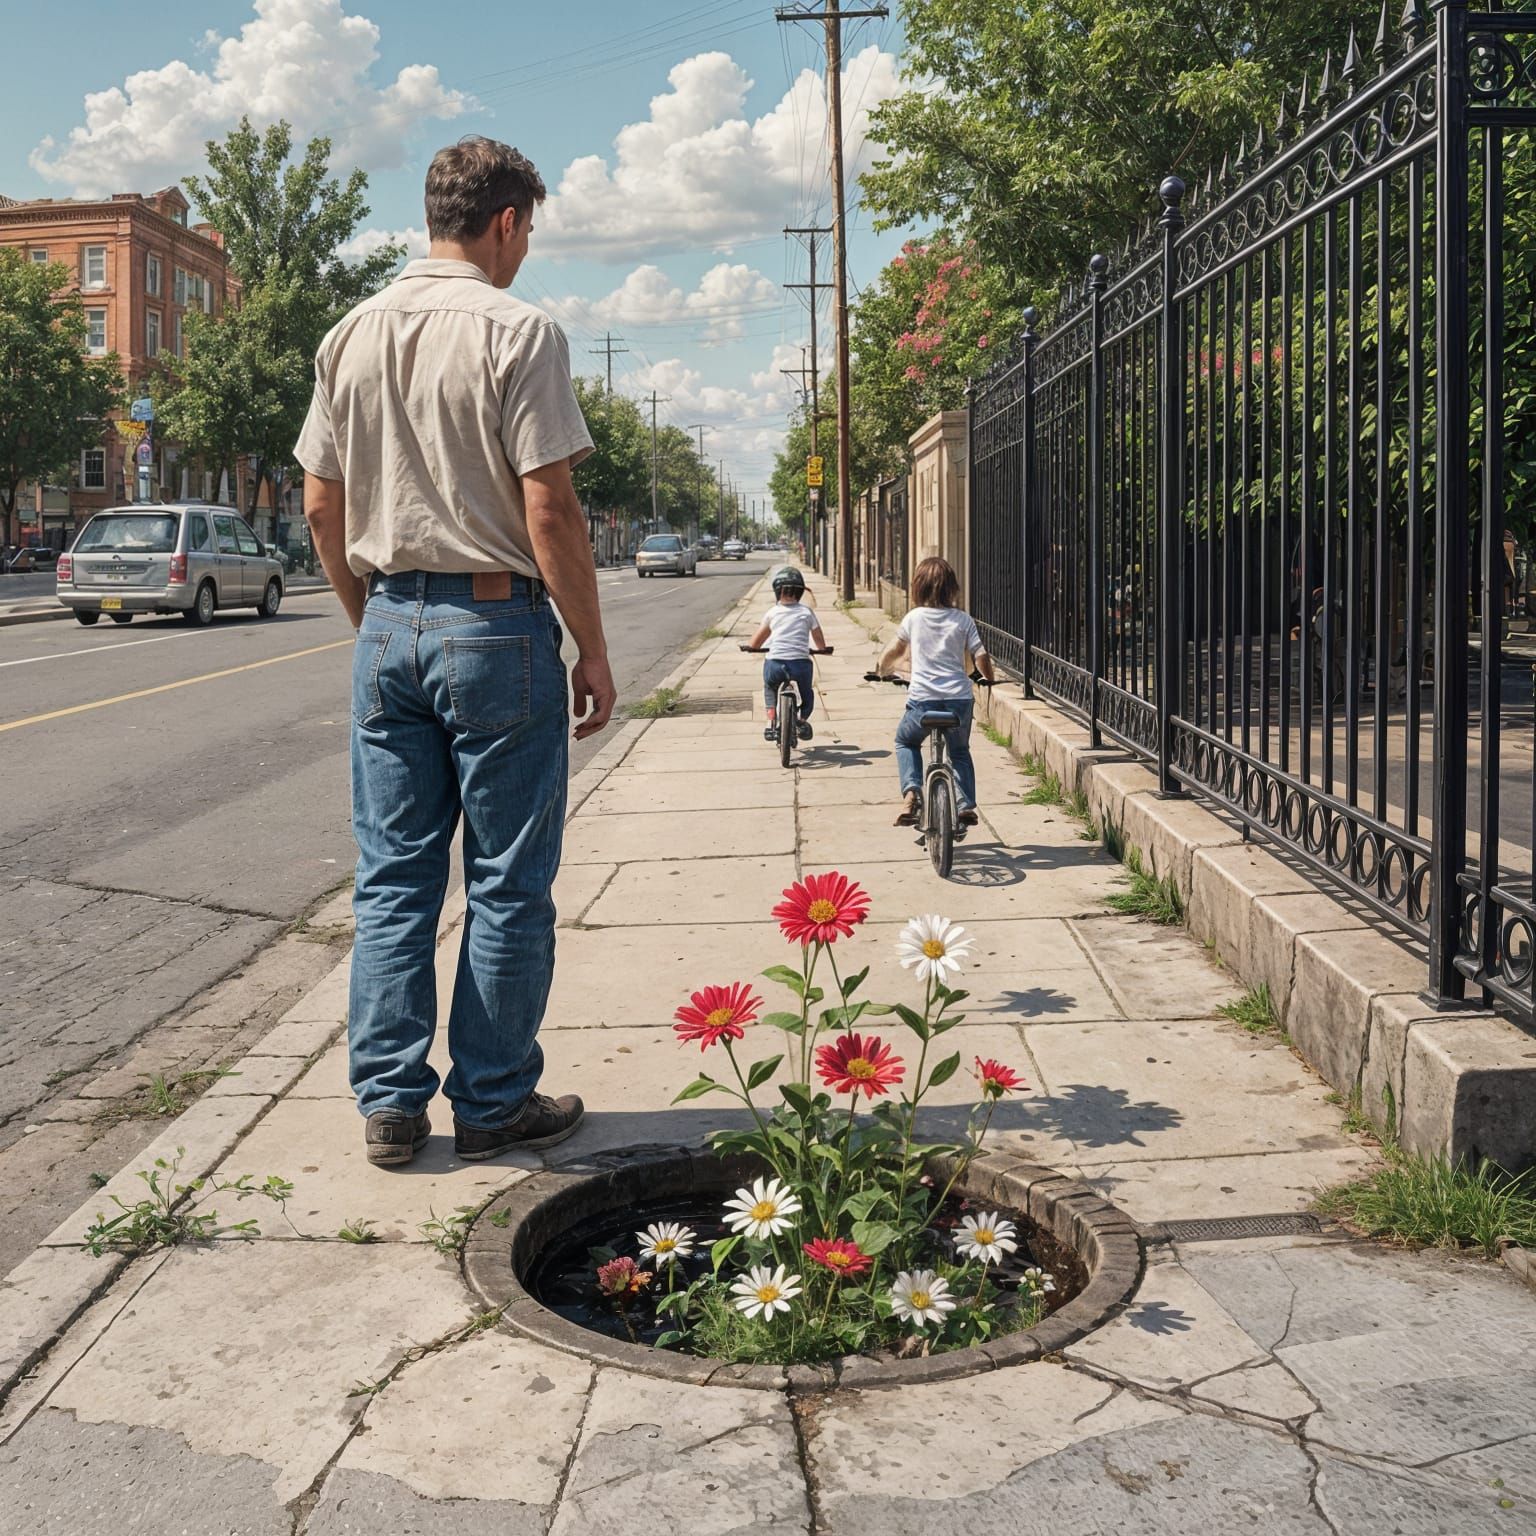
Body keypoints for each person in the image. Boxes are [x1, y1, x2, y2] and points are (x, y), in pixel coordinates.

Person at [296, 136, 616, 1169]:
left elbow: (317, 502)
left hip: (389, 618)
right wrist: (591, 648)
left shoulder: (350, 334)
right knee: (509, 882)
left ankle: (390, 1105)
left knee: (393, 879)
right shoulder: (519, 332)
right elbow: (550, 505)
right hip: (498, 627)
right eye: (531, 232)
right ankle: (490, 1103)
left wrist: (375, 619)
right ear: (508, 221)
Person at [876, 556, 995, 826]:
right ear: (951, 588)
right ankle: (965, 805)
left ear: (918, 587)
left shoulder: (913, 618)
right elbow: (981, 656)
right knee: (960, 751)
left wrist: (881, 669)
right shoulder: (963, 620)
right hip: (959, 702)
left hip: (922, 703)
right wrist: (989, 680)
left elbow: (895, 650)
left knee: (905, 742)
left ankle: (911, 793)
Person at [747, 565, 826, 742]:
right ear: (800, 593)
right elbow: (819, 638)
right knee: (807, 695)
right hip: (800, 665)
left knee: (769, 688)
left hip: (775, 663)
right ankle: (801, 720)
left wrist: (752, 647)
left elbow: (756, 642)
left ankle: (771, 722)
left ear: (777, 591)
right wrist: (821, 649)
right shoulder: (807, 613)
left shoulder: (772, 613)